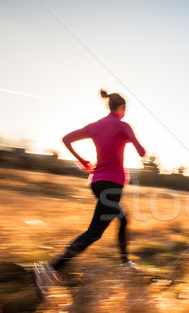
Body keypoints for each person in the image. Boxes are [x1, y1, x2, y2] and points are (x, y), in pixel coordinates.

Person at [33, 89, 146, 297]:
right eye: (125, 109)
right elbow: (141, 151)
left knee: (122, 218)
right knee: (94, 232)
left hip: (97, 182)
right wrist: (133, 143)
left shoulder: (95, 126)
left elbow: (66, 139)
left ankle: (125, 263)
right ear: (122, 108)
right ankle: (49, 270)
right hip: (112, 183)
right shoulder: (123, 125)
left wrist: (82, 161)